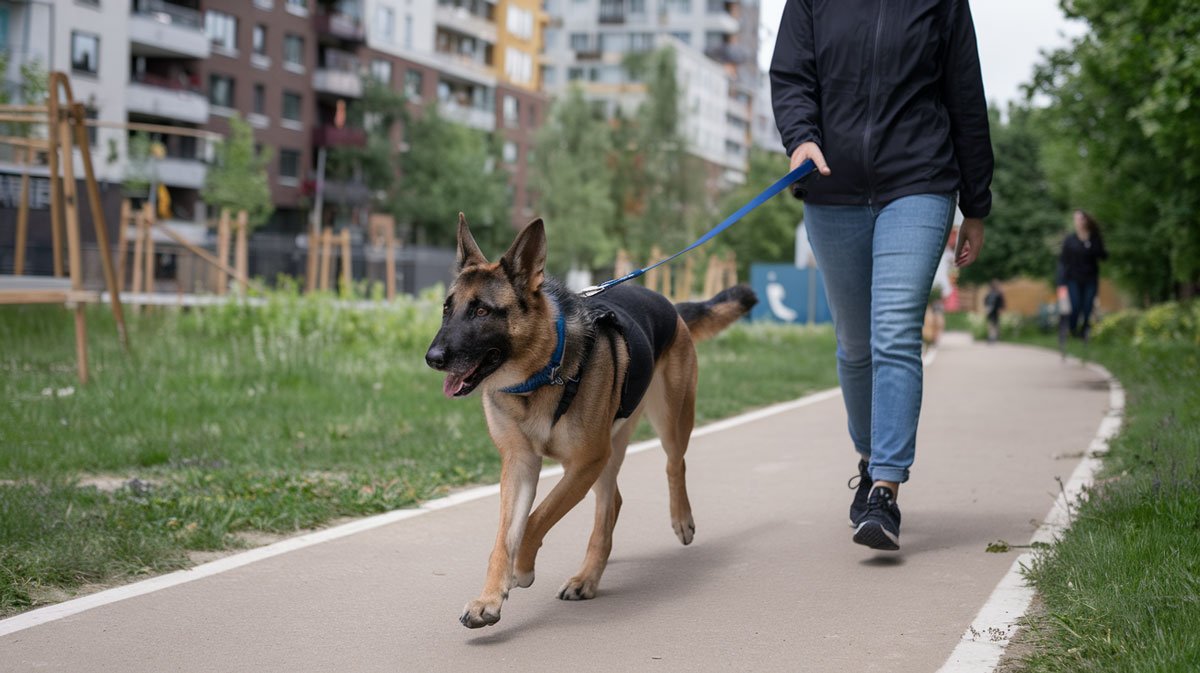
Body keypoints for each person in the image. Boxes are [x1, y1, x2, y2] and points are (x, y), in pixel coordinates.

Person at [771, 0, 993, 551]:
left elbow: (965, 95)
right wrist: (800, 135)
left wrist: (977, 203)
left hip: (919, 181)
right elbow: (792, 75)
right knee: (855, 342)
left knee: (894, 330)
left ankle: (886, 491)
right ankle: (871, 460)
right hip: (832, 189)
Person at [1058, 210, 1107, 342]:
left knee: (1087, 307)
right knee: (1075, 305)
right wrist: (1061, 281)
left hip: (1090, 278)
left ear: (1086, 221)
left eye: (1080, 219)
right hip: (1073, 279)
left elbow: (1103, 256)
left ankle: (1084, 331)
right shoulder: (1070, 240)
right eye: (1076, 219)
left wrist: (1090, 243)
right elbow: (1063, 261)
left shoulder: (1094, 238)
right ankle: (1073, 328)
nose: (1078, 222)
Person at [984, 279, 1005, 344]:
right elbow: (985, 301)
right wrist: (986, 307)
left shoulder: (999, 294)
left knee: (995, 324)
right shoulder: (989, 293)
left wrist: (1000, 309)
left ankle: (994, 337)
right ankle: (991, 336)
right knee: (990, 324)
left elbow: (1001, 302)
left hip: (996, 311)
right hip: (990, 311)